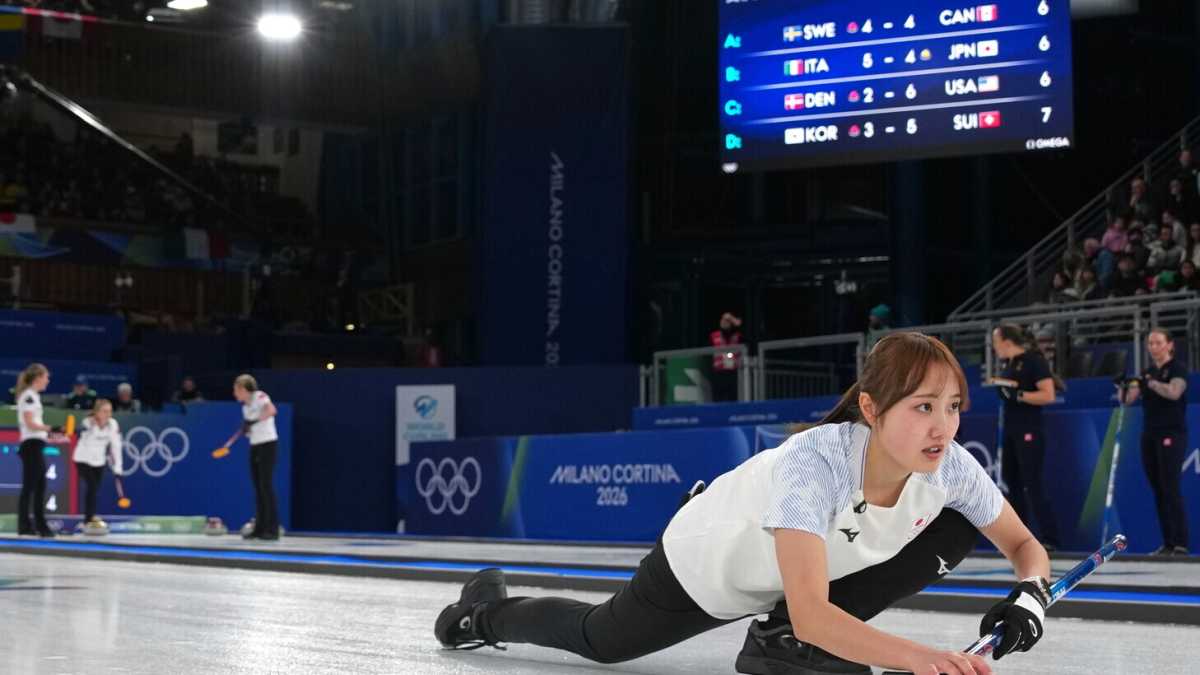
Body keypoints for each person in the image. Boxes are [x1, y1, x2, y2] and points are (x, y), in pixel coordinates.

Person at [434, 333, 1053, 675]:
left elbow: (1024, 546)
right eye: (923, 407)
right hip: (704, 567)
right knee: (603, 640)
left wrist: (1031, 594)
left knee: (957, 526)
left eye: (952, 408)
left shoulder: (951, 466)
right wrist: (924, 661)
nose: (942, 427)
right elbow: (815, 613)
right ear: (871, 408)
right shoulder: (818, 463)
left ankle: (778, 641)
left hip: (791, 584)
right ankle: (486, 611)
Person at [1119, 328, 1190, 555]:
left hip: (1171, 432)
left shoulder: (1177, 369)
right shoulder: (1147, 372)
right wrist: (1123, 387)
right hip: (1149, 433)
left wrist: (1151, 383)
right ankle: (1168, 542)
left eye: (1158, 343)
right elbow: (1128, 400)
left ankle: (1180, 542)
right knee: (1158, 488)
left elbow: (1174, 392)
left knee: (1170, 487)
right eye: (1150, 343)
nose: (1154, 347)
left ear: (1169, 345)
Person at [990, 324, 1061, 550]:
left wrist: (1019, 395)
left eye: (996, 342)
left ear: (1007, 341)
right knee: (1012, 483)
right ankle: (1022, 539)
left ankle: (1050, 538)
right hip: (1011, 428)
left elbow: (1048, 394)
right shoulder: (1007, 364)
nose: (994, 348)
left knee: (1033, 484)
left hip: (1030, 429)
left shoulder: (1033, 361)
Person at [15, 363, 60, 537]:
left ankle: (32, 526)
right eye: (46, 377)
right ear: (38, 378)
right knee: (33, 487)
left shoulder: (33, 396)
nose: (47, 380)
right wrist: (51, 428)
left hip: (35, 444)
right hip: (31, 446)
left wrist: (52, 435)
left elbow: (35, 428)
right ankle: (31, 526)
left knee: (37, 486)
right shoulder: (28, 396)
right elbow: (29, 424)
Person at [233, 374, 280, 540]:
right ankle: (259, 528)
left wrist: (254, 422)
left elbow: (271, 410)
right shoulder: (245, 408)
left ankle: (273, 529)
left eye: (236, 390)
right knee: (258, 488)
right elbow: (251, 429)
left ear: (244, 389)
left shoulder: (260, 396)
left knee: (266, 486)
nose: (235, 394)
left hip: (268, 444)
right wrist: (247, 429)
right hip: (255, 446)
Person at [74, 399, 122, 529]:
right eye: (104, 411)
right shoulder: (87, 422)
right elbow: (85, 436)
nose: (108, 414)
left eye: (110, 411)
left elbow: (116, 446)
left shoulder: (113, 424)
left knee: (94, 489)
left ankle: (90, 517)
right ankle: (88, 519)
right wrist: (94, 426)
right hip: (83, 459)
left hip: (99, 461)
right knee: (92, 486)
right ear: (97, 412)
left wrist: (118, 466)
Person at [709, 312, 743, 402]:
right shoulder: (714, 335)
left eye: (727, 320)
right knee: (717, 399)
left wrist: (732, 318)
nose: (724, 322)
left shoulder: (737, 336)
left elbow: (744, 331)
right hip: (719, 372)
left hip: (732, 372)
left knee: (733, 398)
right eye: (723, 319)